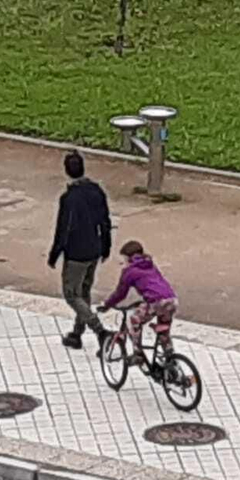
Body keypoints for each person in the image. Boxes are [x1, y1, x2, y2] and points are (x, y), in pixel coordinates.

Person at [47, 151, 112, 351]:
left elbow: (63, 228)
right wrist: (106, 246)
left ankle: (100, 330)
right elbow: (105, 221)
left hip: (76, 253)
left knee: (71, 294)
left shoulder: (69, 198)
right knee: (84, 292)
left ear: (66, 171)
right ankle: (76, 334)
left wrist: (55, 253)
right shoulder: (96, 191)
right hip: (95, 248)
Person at [101, 240, 178, 364]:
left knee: (133, 321)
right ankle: (171, 360)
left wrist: (107, 305)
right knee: (163, 330)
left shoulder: (129, 271)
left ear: (129, 258)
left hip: (156, 302)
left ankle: (138, 354)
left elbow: (120, 293)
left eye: (124, 259)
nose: (123, 262)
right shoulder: (150, 265)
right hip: (171, 300)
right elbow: (154, 285)